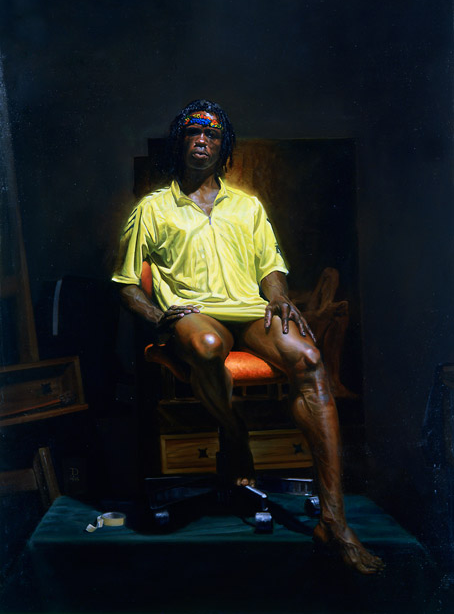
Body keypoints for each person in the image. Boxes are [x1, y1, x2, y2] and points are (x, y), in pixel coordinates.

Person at [112, 99, 384, 574]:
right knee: (208, 346)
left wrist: (278, 296)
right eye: (193, 133)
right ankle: (235, 435)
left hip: (249, 310)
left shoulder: (247, 206)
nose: (202, 140)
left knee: (310, 359)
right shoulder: (153, 208)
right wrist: (160, 316)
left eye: (212, 135)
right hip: (196, 314)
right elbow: (126, 284)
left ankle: (334, 522)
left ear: (224, 147)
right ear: (180, 142)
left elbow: (271, 266)